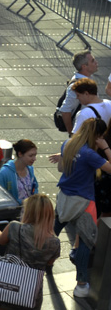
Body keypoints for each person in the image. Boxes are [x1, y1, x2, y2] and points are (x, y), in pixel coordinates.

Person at [55, 118, 111, 298]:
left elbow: (61, 168)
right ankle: (81, 284)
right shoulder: (89, 154)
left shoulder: (68, 144)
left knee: (52, 231)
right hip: (85, 202)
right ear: (97, 135)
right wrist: (106, 148)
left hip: (64, 198)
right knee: (85, 243)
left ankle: (44, 261)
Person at [0, 194, 59, 310]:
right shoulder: (55, 242)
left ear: (29, 212)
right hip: (32, 293)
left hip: (7, 286)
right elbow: (49, 263)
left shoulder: (15, 227)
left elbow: (0, 240)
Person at [0, 139, 39, 204]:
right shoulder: (4, 173)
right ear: (20, 154)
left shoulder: (30, 169)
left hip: (29, 208)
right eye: (30, 156)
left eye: (35, 155)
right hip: (14, 209)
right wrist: (22, 202)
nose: (34, 159)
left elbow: (35, 186)